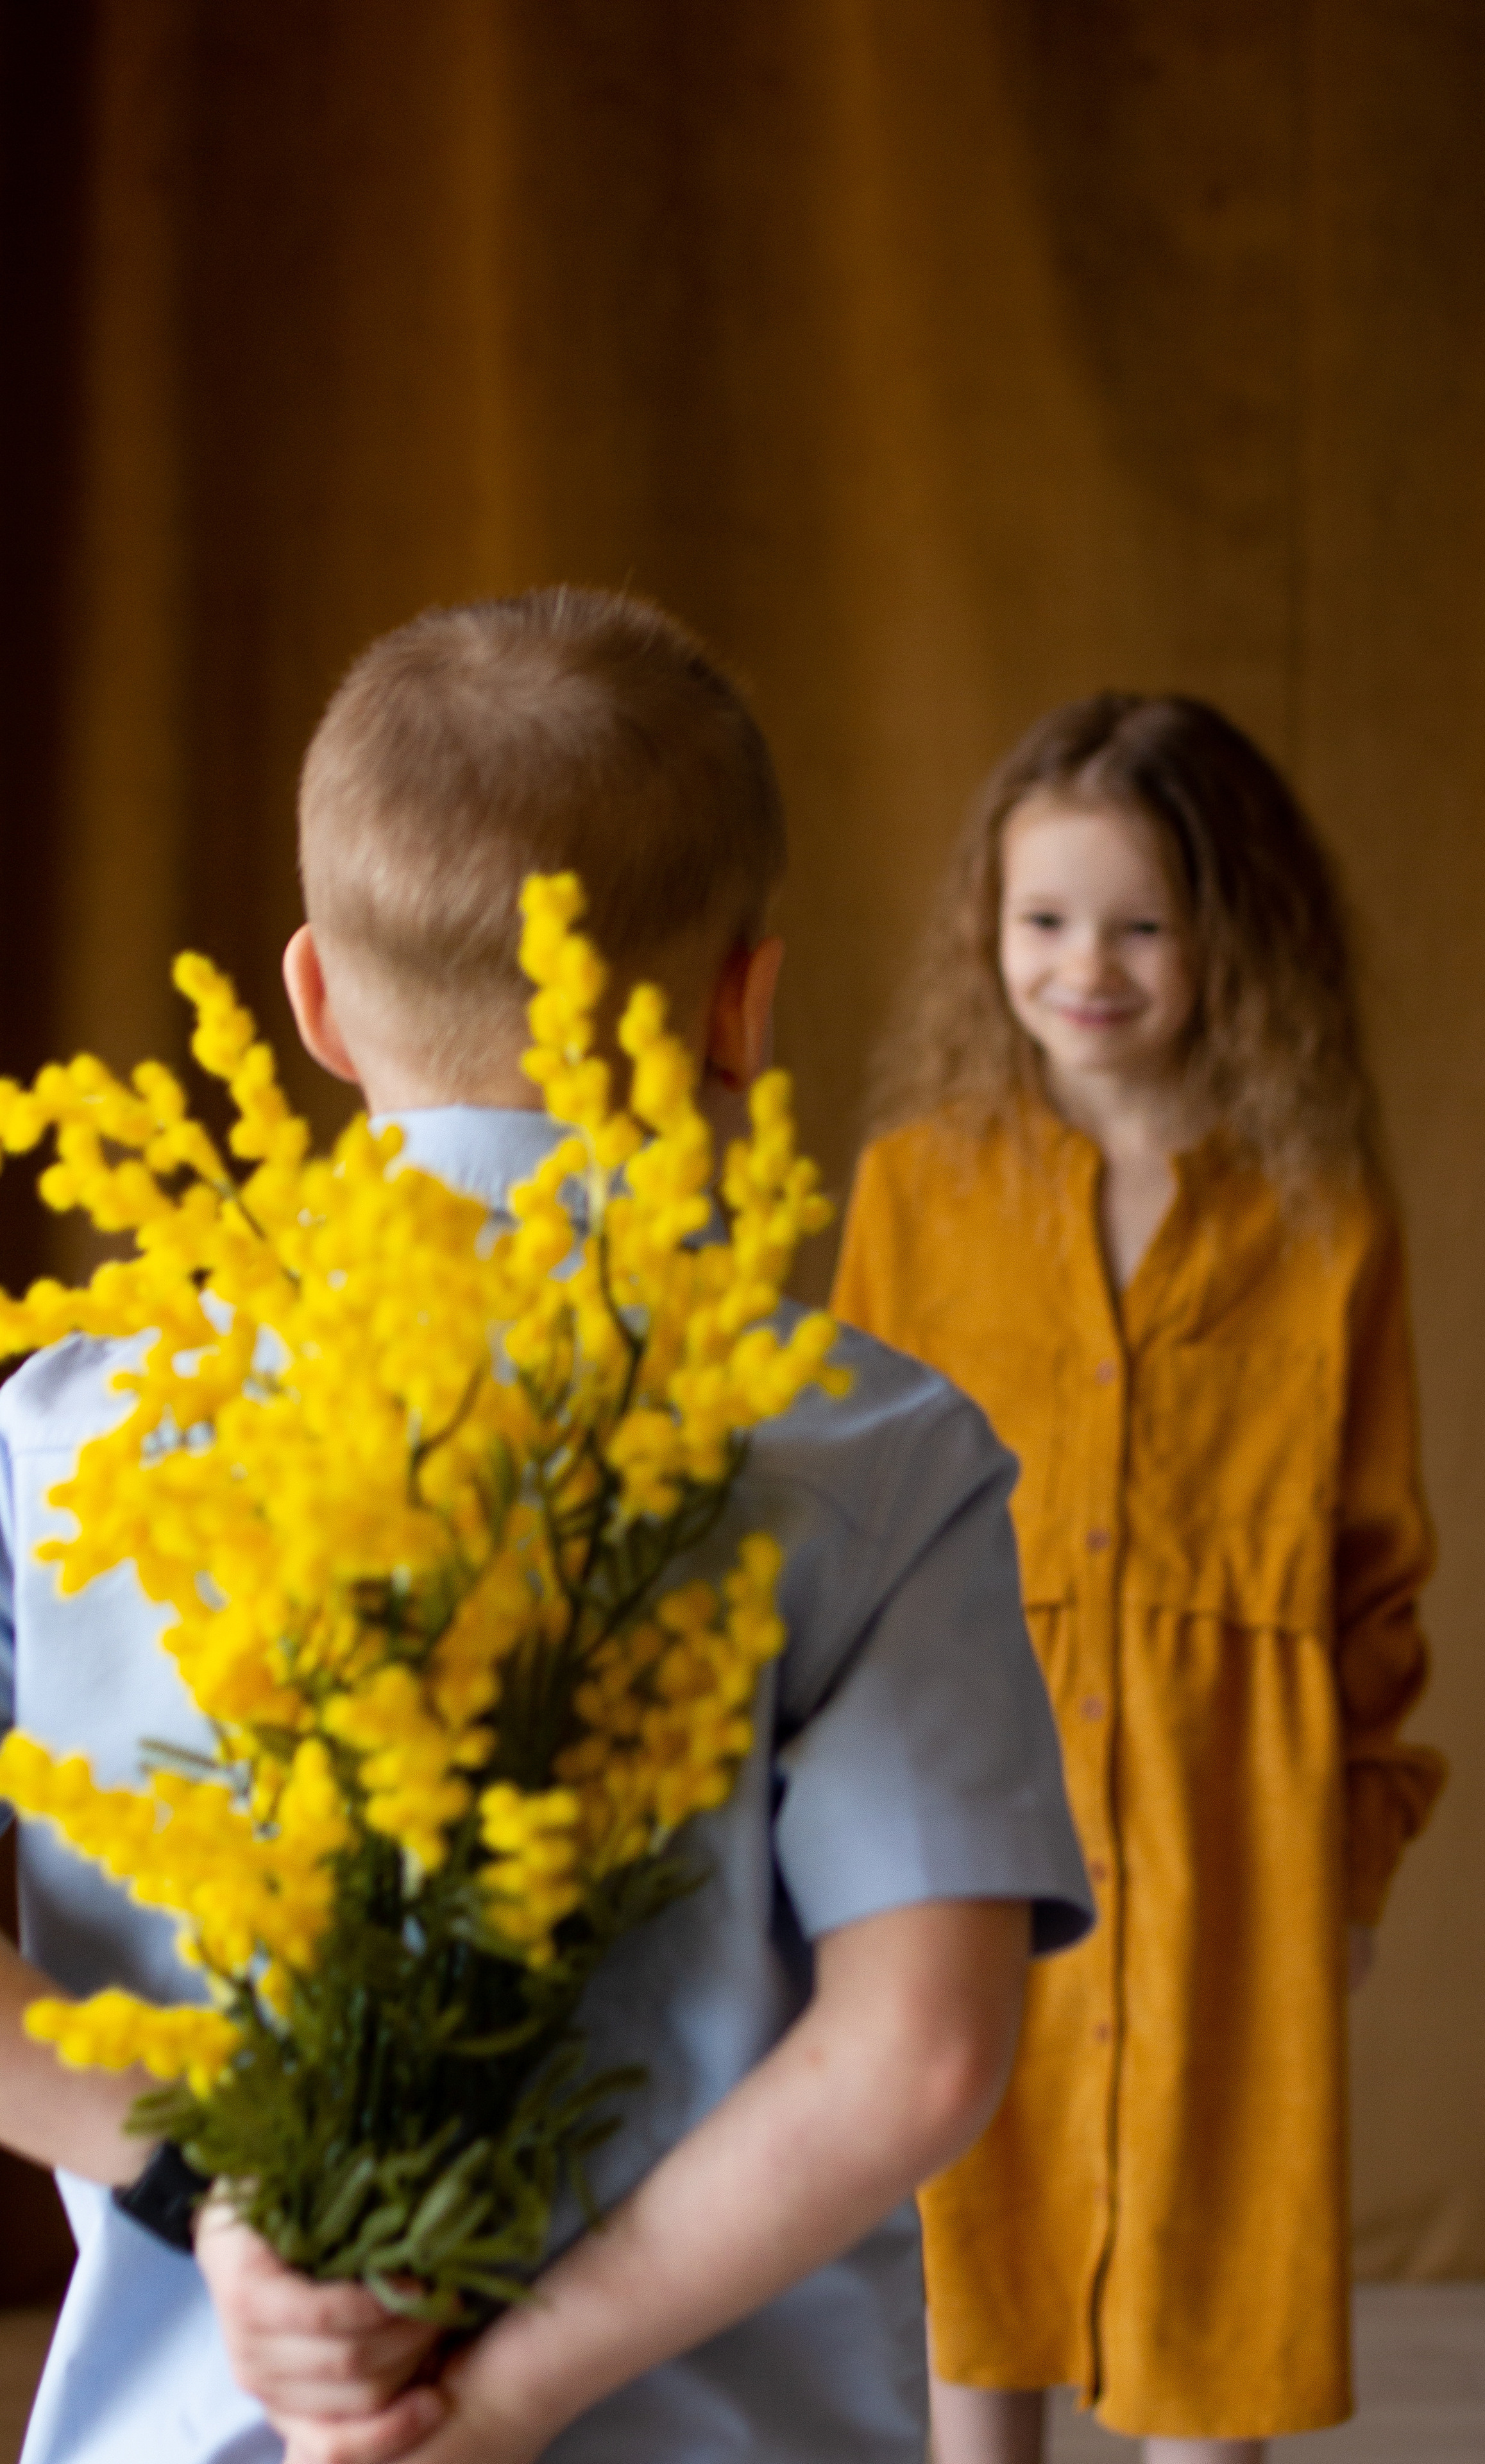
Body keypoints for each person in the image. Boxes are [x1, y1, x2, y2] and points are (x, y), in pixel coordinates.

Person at [0, 588, 1094, 2464]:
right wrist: (507, 2395)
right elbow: (922, 2048)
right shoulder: (878, 1452)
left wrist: (213, 2195)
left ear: (318, 1007)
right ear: (749, 1005)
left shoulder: (54, 1437)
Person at [831, 694, 1447, 2464]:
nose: (1082, 966)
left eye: (1139, 923)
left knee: (1216, 2289)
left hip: (1231, 1838)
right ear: (987, 931)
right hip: (970, 1819)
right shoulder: (915, 1192)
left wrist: (1354, 1863)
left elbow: (1377, 1572)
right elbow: (847, 1533)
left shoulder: (1326, 1222)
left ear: (1226, 934)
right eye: (1041, 921)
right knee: (975, 2241)